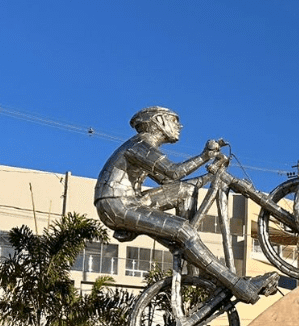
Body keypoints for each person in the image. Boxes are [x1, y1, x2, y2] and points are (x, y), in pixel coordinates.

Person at [95, 106, 278, 305]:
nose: (179, 126)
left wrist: (212, 175)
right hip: (117, 204)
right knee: (183, 230)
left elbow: (169, 183)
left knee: (185, 191)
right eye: (174, 120)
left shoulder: (144, 148)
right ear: (159, 121)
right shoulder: (141, 145)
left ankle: (195, 271)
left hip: (129, 201)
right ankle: (241, 287)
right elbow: (174, 172)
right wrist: (204, 156)